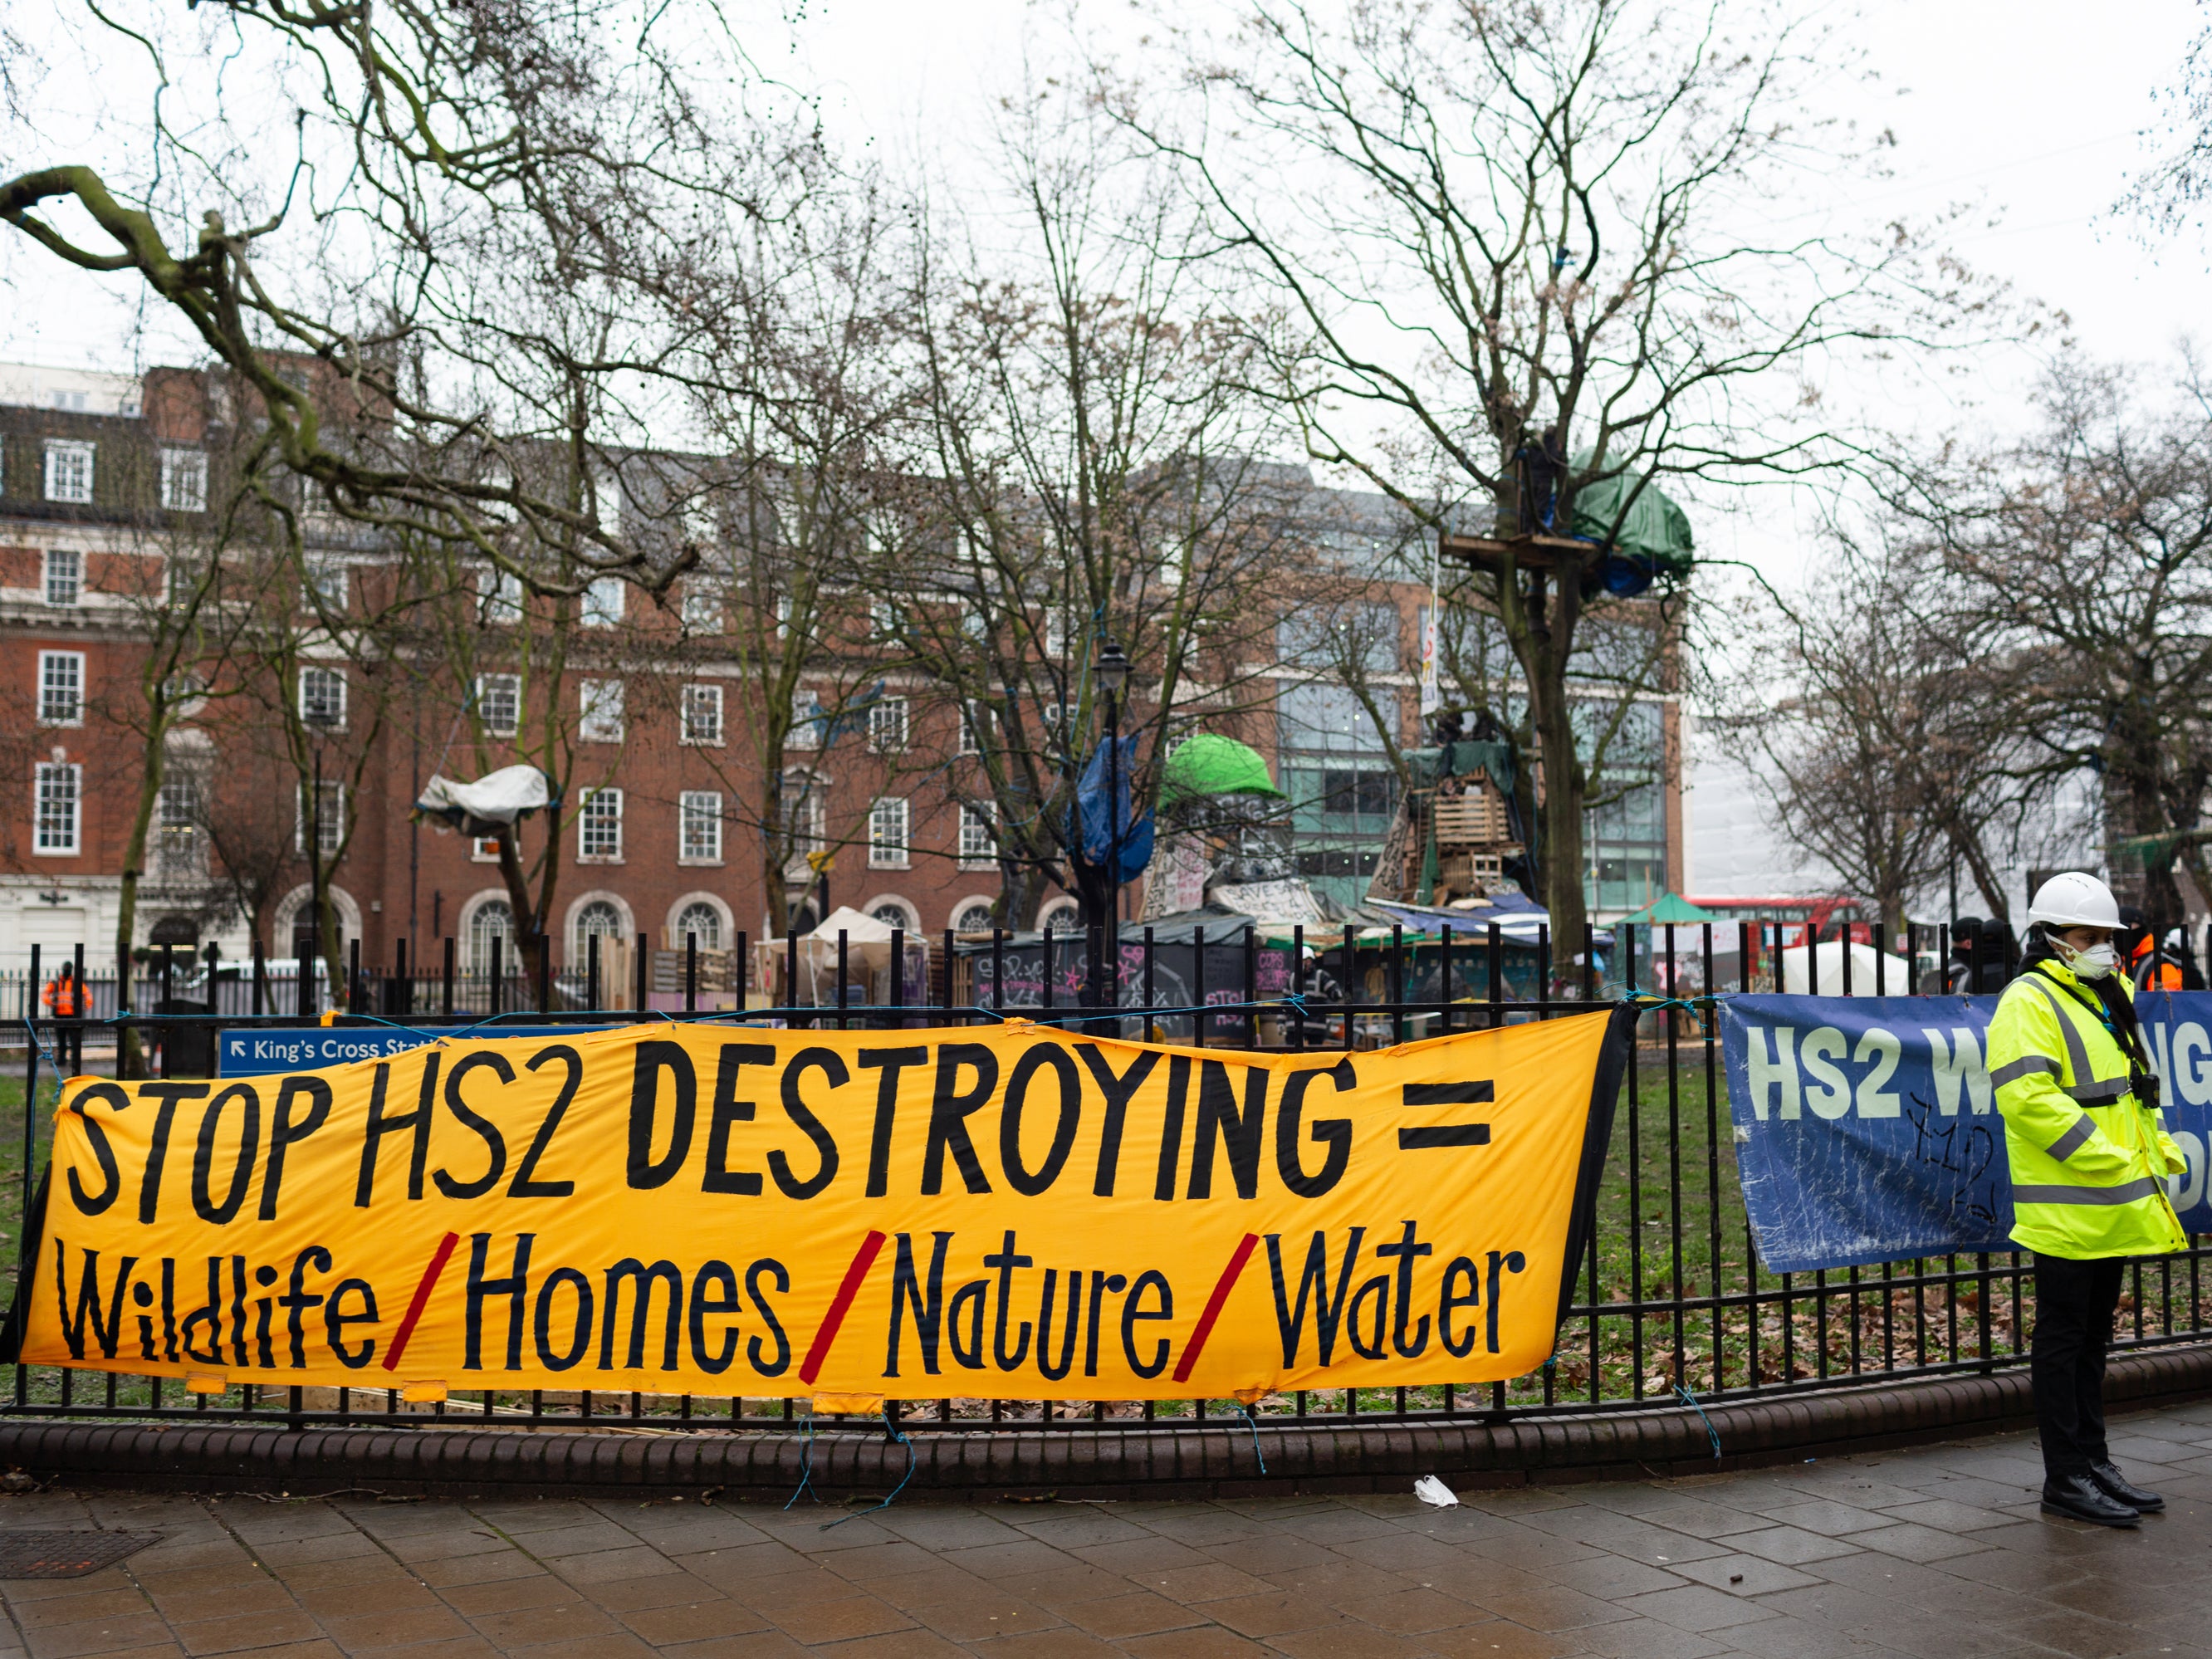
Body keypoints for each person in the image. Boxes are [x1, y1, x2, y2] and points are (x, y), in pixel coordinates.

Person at [1989, 871, 2190, 1527]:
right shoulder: (2030, 1000)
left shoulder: (2110, 993)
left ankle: (2094, 1463)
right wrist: (2106, 1158)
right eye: (2088, 936)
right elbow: (2027, 1099)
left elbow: (2132, 1090)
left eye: (2108, 936)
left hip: (2111, 1200)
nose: (2104, 946)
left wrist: (2157, 1149)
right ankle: (2066, 1477)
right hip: (2069, 1204)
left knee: (2092, 1338)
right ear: (2051, 939)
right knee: (2063, 1338)